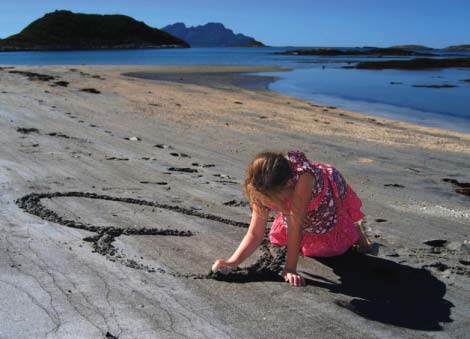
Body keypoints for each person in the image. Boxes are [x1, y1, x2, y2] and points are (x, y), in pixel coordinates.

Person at [211, 150, 373, 287]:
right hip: (292, 200)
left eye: (271, 201)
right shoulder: (259, 186)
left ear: (288, 185)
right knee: (289, 237)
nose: (267, 204)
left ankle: (358, 232)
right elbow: (255, 233)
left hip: (326, 193)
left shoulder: (304, 180)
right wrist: (232, 263)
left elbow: (296, 227)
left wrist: (290, 268)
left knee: (331, 250)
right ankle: (353, 229)